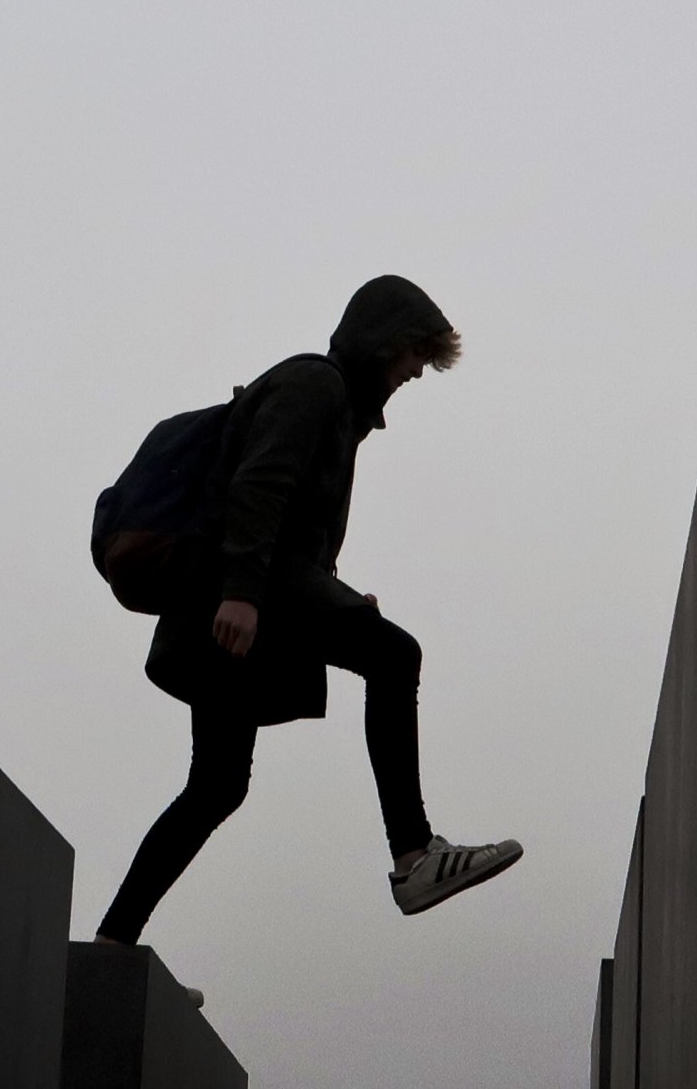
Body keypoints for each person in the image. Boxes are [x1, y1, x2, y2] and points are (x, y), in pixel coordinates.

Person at [93, 275, 522, 947]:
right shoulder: (314, 385)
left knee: (216, 786)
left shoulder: (341, 413)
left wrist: (337, 595)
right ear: (383, 341)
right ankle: (414, 856)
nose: (416, 371)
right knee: (394, 654)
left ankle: (112, 947)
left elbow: (297, 529)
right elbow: (259, 487)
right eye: (414, 353)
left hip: (251, 586)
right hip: (234, 588)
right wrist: (241, 591)